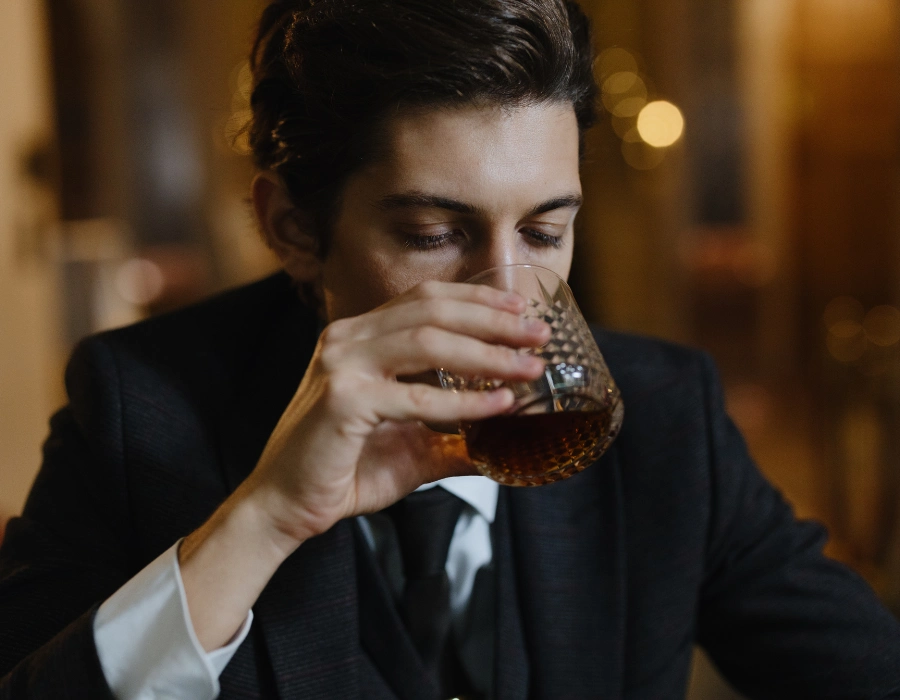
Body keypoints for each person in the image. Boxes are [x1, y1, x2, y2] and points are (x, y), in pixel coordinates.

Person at [2, 0, 900, 698]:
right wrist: (261, 523)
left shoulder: (668, 416)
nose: (511, 300)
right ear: (292, 227)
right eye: (435, 233)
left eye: (546, 232)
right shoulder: (135, 405)